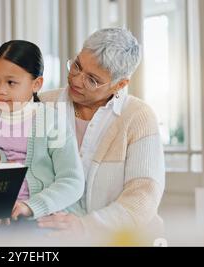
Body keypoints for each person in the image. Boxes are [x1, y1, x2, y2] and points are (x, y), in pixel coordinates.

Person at [37, 28, 165, 243]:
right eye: (77, 65)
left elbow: (143, 196)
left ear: (120, 84)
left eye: (92, 80)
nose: (76, 80)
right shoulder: (41, 106)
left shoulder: (138, 117)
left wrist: (85, 227)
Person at [0, 40, 85, 223]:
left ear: (36, 84)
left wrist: (30, 207)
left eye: (11, 83)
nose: (0, 90)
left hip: (44, 218)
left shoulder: (53, 123)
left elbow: (72, 181)